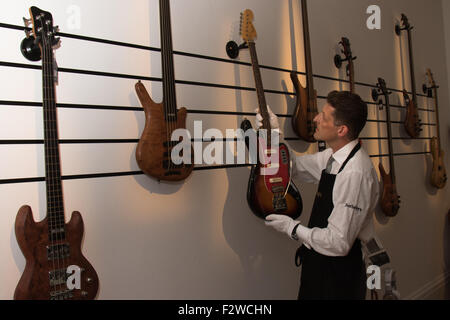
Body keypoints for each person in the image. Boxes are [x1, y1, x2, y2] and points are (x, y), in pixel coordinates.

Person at [255, 90, 380, 300]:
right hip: (318, 264)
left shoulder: (354, 173)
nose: (316, 119)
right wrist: (275, 133)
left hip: (338, 277)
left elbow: (338, 243)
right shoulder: (334, 157)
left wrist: (291, 228)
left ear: (341, 129)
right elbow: (295, 167)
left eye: (323, 116)